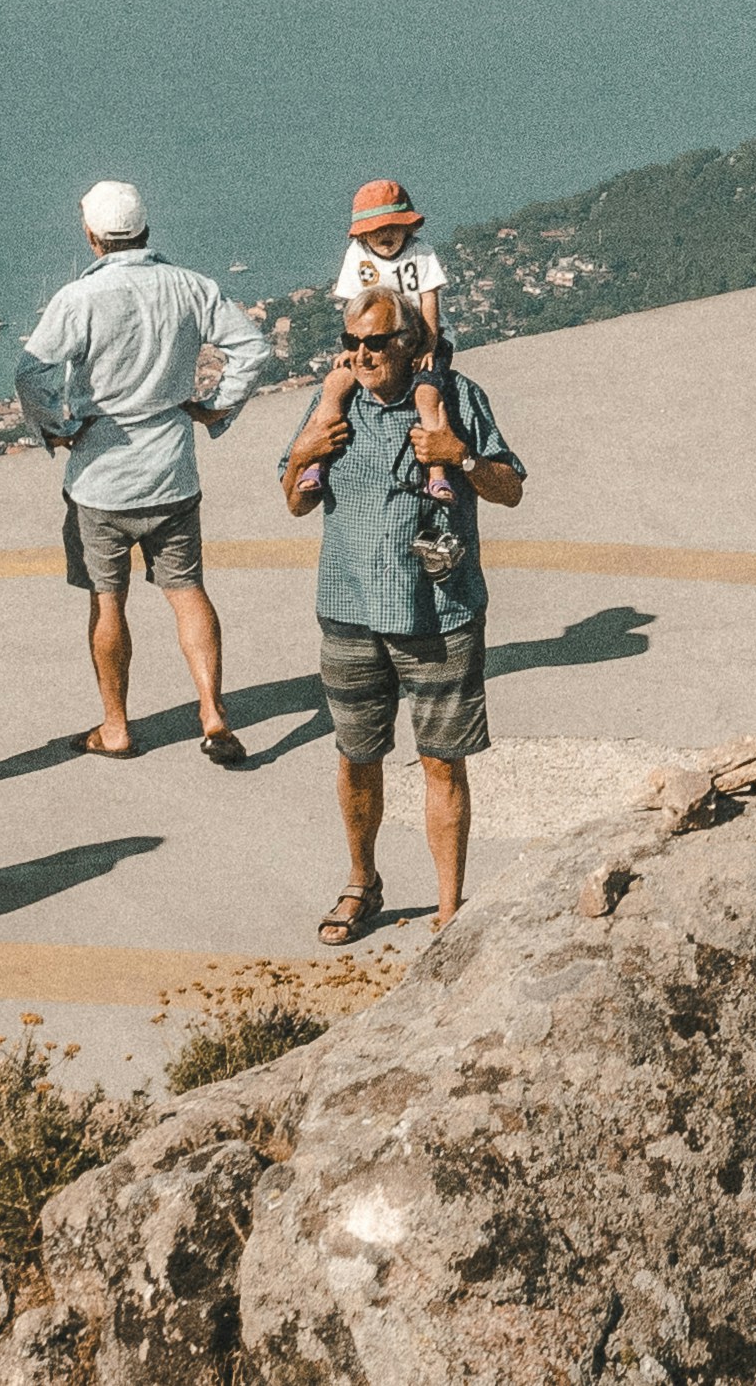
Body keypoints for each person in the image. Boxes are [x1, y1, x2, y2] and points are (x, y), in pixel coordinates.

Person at [280, 289, 521, 940]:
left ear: (410, 344)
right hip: (350, 614)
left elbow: (512, 488)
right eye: (351, 342)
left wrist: (459, 456)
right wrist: (304, 450)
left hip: (441, 615)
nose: (360, 354)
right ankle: (362, 883)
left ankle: (448, 909)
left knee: (443, 761)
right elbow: (295, 502)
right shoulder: (334, 401)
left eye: (376, 342)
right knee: (356, 757)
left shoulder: (458, 396)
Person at [12, 177, 278, 763]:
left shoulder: (77, 299)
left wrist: (59, 427)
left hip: (100, 481)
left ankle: (115, 727)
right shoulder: (190, 285)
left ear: (91, 235)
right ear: (146, 228)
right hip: (173, 473)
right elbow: (253, 348)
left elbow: (31, 374)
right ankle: (212, 714)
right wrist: (215, 407)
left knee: (107, 603)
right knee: (188, 593)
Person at [329, 178, 469, 472]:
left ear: (409, 226)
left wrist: (428, 346)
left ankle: (436, 470)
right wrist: (353, 347)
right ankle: (317, 460)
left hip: (424, 335)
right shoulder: (358, 255)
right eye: (376, 229)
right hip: (376, 341)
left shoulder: (421, 252)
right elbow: (354, 307)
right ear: (362, 234)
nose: (386, 233)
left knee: (426, 394)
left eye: (393, 225)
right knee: (335, 386)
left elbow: (429, 301)